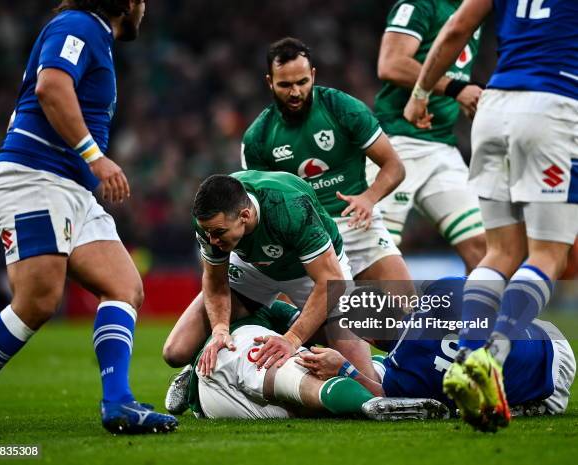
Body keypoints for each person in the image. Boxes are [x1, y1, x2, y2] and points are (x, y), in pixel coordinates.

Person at [0, 0, 177, 437]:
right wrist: (95, 157)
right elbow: (51, 87)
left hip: (69, 188)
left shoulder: (94, 34)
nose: (145, 7)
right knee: (38, 300)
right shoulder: (79, 24)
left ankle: (117, 402)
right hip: (34, 179)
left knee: (123, 286)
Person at [403, 0, 578, 431]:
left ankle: (467, 357)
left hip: (493, 105)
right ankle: (492, 357)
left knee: (500, 252)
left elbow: (456, 27)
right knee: (548, 254)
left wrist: (421, 94)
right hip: (552, 105)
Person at [187, 279, 575, 427]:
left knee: (430, 394)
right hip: (549, 339)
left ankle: (205, 384)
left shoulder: (404, 369)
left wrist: (346, 369)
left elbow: (383, 399)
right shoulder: (443, 292)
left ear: (367, 338)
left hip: (546, 389)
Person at [162, 171, 376, 412]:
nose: (212, 240)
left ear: (245, 215)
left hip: (316, 273)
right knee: (176, 351)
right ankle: (193, 369)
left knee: (365, 382)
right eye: (208, 233)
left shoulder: (289, 206)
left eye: (218, 233)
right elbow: (215, 281)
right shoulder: (210, 222)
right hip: (252, 269)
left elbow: (330, 281)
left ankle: (283, 317)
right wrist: (220, 329)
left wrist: (291, 340)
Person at [241, 37, 413, 287]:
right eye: (285, 85)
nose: (295, 92)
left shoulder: (343, 109)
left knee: (408, 304)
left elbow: (394, 166)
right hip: (306, 238)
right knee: (335, 323)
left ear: (313, 74)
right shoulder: (258, 137)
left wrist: (369, 198)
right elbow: (263, 208)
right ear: (270, 82)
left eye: (302, 82)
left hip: (357, 225)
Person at [371, 0, 486, 271]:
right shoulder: (420, 4)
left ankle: (481, 315)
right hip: (396, 143)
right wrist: (456, 89)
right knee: (376, 253)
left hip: (441, 146)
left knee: (483, 248)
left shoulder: (474, 8)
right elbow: (391, 64)